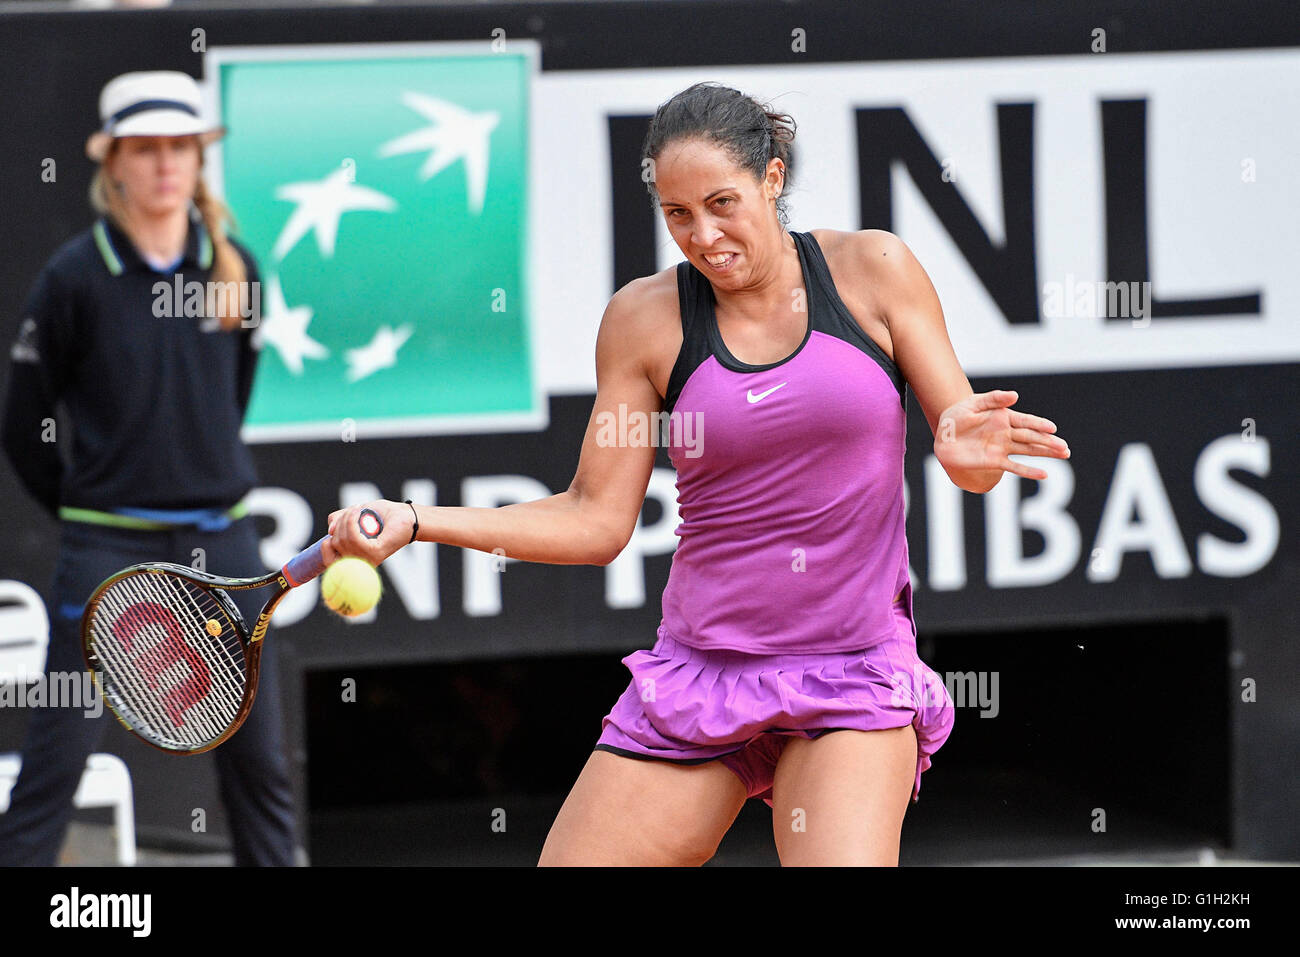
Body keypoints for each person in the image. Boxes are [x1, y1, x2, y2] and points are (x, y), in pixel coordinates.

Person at [323, 81, 1070, 866]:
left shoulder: (875, 269)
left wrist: (966, 454)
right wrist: (417, 519)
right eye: (678, 214)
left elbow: (967, 444)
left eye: (722, 203)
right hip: (702, 675)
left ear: (772, 178)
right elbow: (594, 516)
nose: (704, 235)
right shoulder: (643, 320)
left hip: (852, 671)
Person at [0, 71, 297, 866]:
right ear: (114, 165)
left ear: (199, 161)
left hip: (224, 548)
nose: (167, 164)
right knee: (54, 767)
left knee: (260, 762)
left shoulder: (240, 272)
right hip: (106, 554)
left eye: (182, 147)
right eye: (147, 148)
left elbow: (226, 403)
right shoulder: (72, 277)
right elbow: (21, 422)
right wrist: (91, 507)